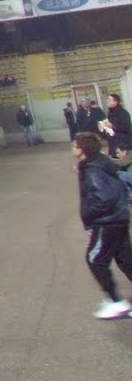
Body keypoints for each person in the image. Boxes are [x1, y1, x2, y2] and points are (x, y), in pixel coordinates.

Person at [73, 132, 132, 319]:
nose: (72, 148)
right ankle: (116, 302)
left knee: (95, 259)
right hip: (118, 219)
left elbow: (104, 198)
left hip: (107, 222)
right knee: (126, 259)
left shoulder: (92, 169)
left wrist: (90, 216)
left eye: (74, 145)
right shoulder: (100, 162)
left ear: (81, 150)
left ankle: (116, 303)